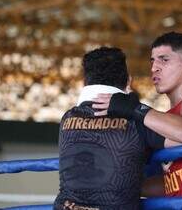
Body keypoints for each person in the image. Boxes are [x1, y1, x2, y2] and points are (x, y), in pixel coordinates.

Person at [53, 47, 165, 210]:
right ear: (128, 81)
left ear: (84, 83)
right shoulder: (135, 121)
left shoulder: (67, 118)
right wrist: (138, 109)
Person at [92, 32, 182, 197]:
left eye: (164, 59)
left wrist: (134, 108)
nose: (154, 67)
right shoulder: (166, 120)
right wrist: (123, 187)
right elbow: (173, 182)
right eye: (153, 60)